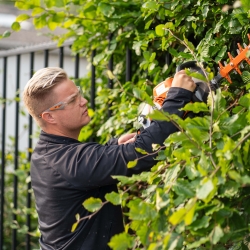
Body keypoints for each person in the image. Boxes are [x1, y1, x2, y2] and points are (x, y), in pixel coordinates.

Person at [22, 67, 196, 250]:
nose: (84, 101)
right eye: (72, 100)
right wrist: (178, 95)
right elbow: (144, 151)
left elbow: (83, 167)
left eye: (78, 94)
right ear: (49, 116)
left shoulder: (47, 153)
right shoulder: (67, 162)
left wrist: (112, 148)